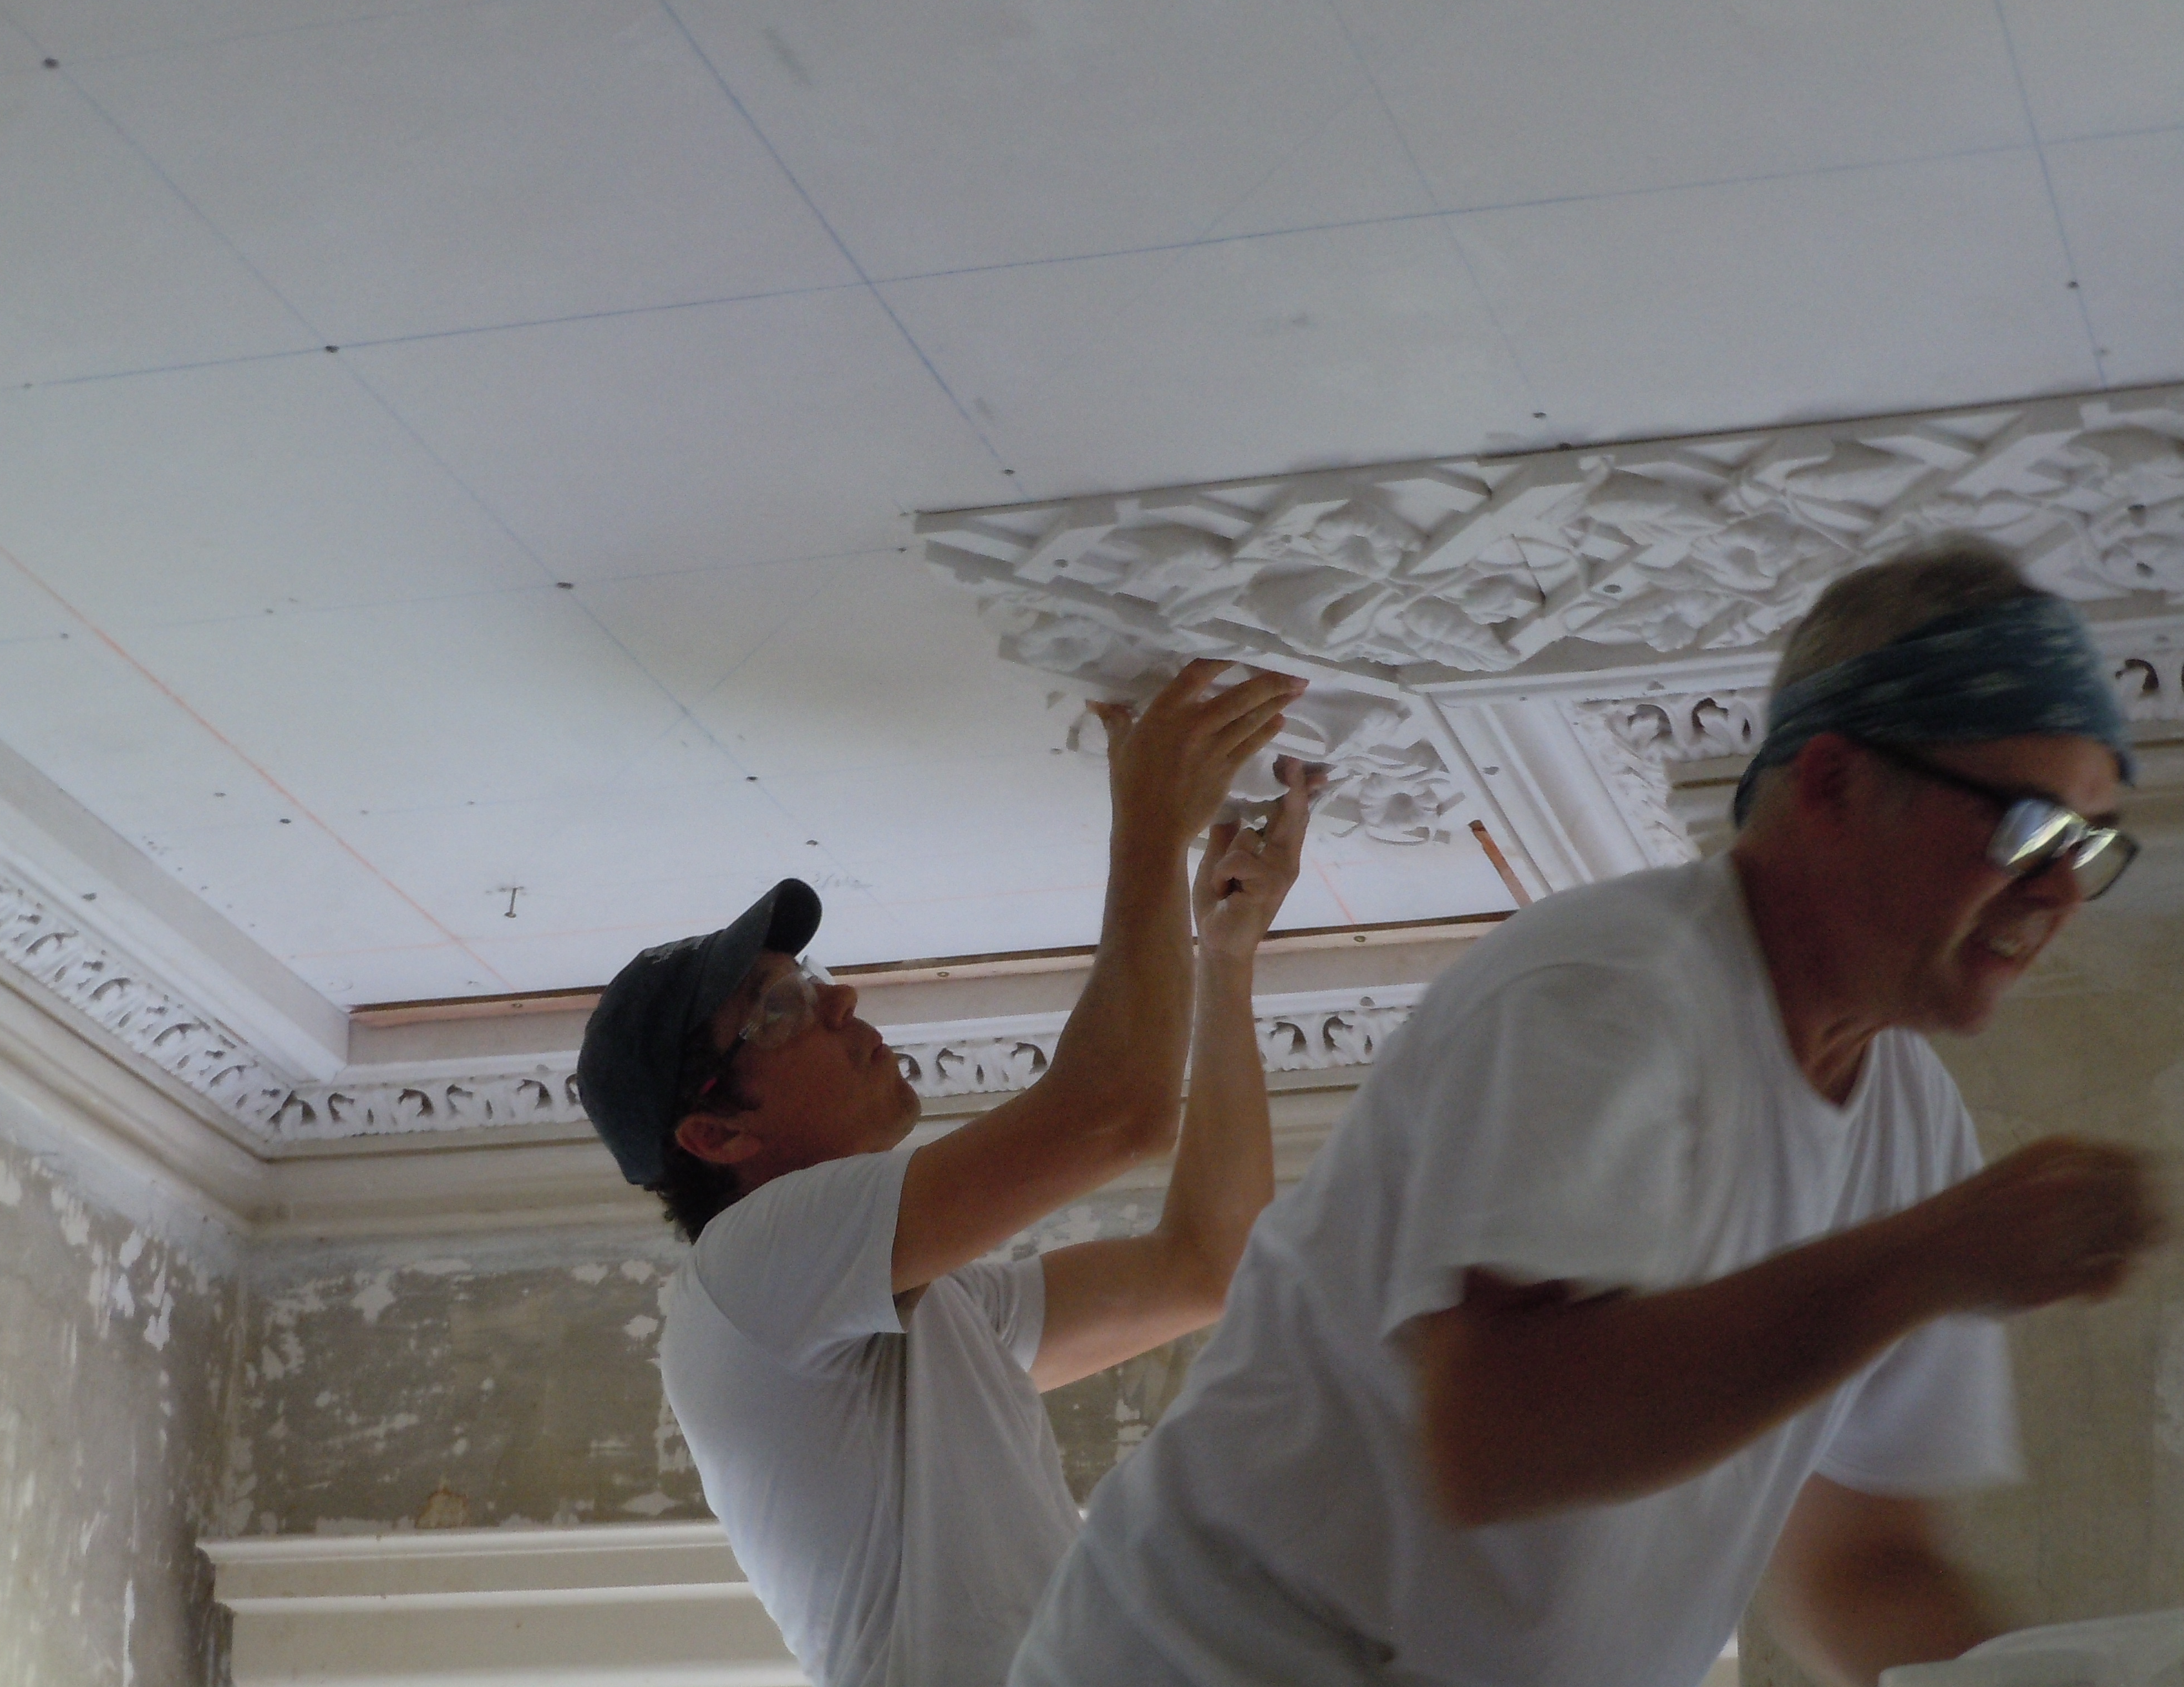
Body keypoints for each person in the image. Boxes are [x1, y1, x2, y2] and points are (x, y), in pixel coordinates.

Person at [1009, 537, 2166, 1687]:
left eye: (2093, 845)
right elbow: (1503, 1432)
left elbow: (1863, 1570)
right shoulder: (1607, 993)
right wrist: (1932, 1260)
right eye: (2028, 828)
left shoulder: (1914, 1139)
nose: (2060, 889)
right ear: (1834, 785)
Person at [575, 659, 1324, 1687]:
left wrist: (1223, 956)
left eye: (812, 983)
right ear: (715, 1136)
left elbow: (1200, 1261)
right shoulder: (746, 1273)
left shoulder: (919, 1315)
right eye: (777, 1010)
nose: (840, 1006)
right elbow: (1125, 1130)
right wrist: (1151, 826)